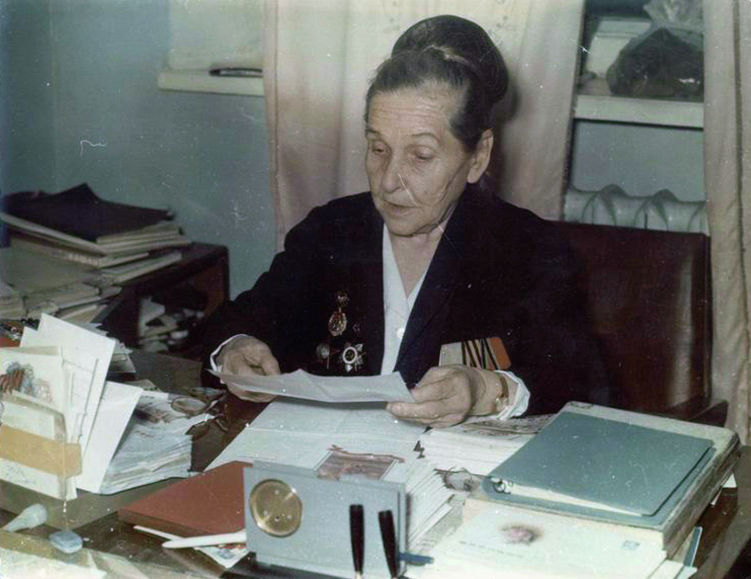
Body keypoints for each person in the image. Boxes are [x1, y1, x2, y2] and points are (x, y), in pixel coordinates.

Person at [203, 15, 612, 427]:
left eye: (421, 156)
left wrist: (488, 391)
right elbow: (239, 320)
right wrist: (237, 347)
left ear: (478, 157)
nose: (388, 182)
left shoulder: (530, 250)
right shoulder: (331, 231)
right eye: (378, 149)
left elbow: (581, 384)